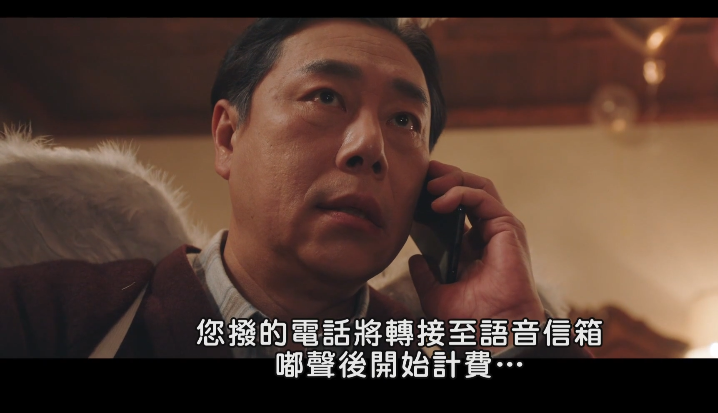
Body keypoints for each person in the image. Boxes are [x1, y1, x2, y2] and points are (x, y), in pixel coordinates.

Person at [0, 18, 592, 360]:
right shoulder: (50, 314)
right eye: (325, 97)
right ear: (228, 136)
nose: (370, 146)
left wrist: (514, 337)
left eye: (404, 120)